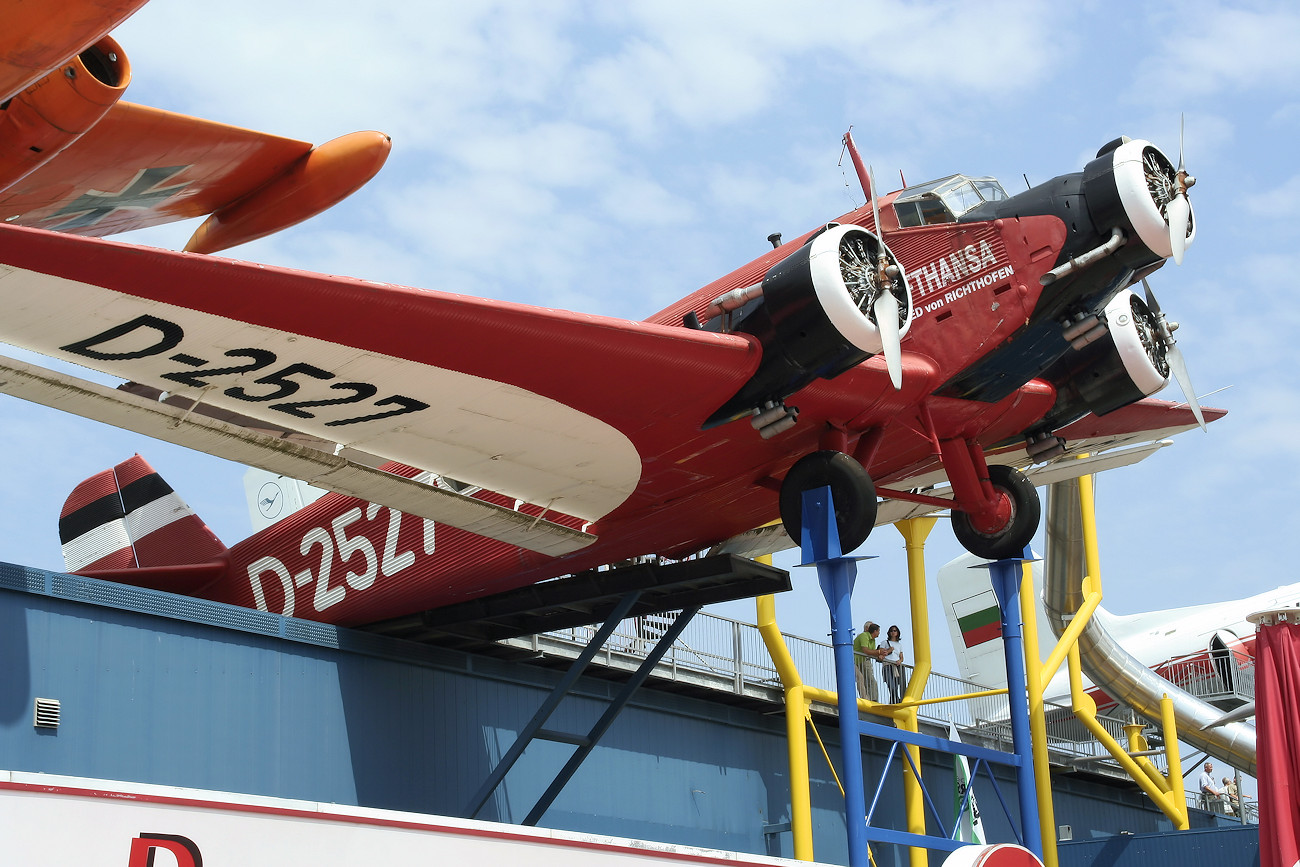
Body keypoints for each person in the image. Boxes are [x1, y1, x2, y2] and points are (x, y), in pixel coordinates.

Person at [853, 622, 882, 702]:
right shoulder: (863, 636)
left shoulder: (872, 640)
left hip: (863, 660)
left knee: (870, 680)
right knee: (861, 678)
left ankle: (872, 699)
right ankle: (866, 698)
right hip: (855, 661)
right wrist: (878, 652)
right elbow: (866, 650)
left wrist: (879, 654)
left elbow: (872, 652)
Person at [879, 624, 906, 704]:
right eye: (891, 631)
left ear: (897, 632)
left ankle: (894, 701)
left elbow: (901, 657)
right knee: (891, 686)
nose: (893, 632)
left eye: (895, 631)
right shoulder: (884, 642)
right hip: (887, 665)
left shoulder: (899, 645)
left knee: (897, 686)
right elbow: (880, 654)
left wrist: (899, 661)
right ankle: (896, 700)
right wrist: (889, 650)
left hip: (896, 666)